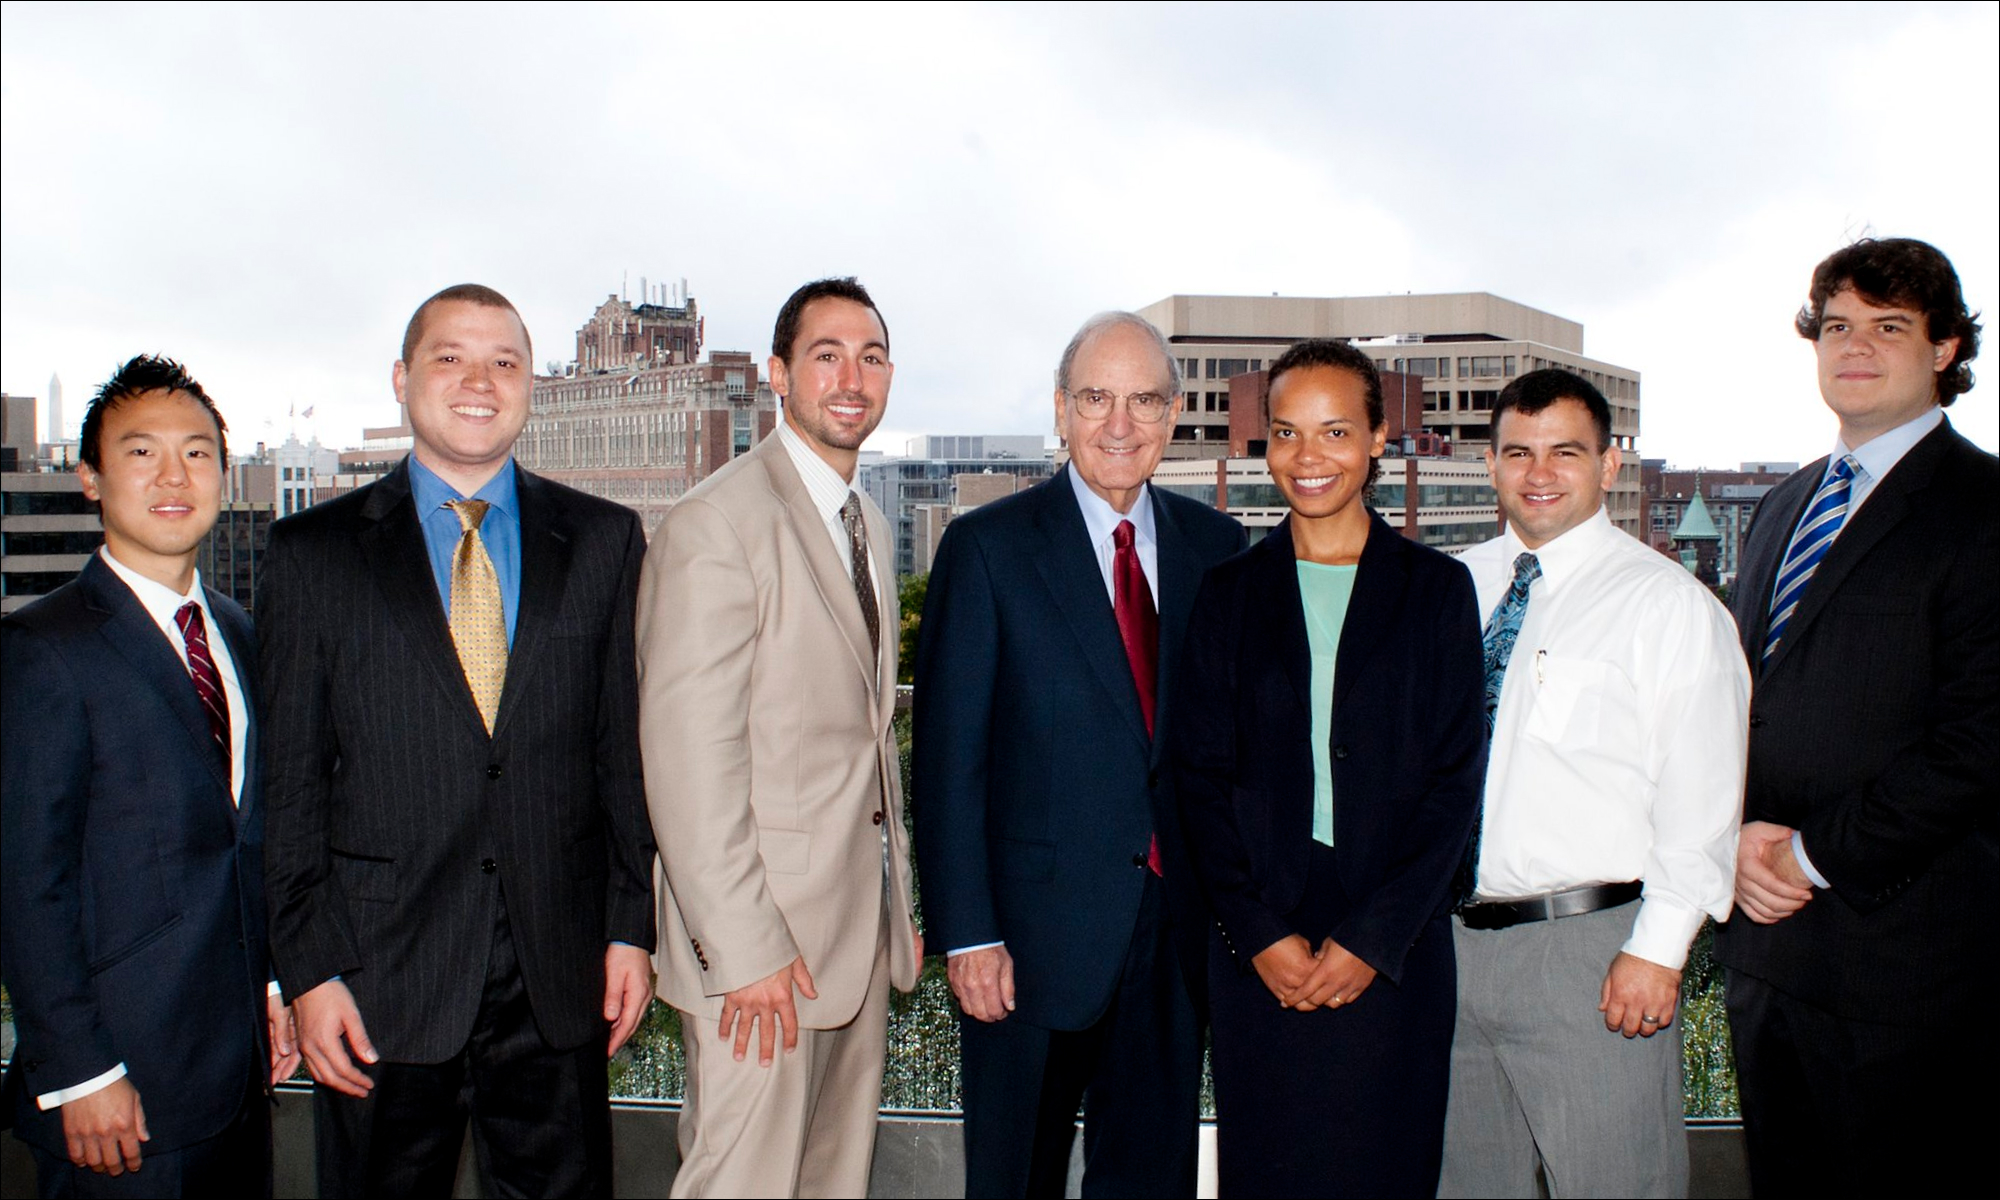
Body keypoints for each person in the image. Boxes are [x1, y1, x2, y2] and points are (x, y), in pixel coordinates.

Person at [259, 284, 658, 1198]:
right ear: (403, 380)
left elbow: (618, 754)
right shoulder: (312, 555)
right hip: (375, 984)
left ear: (531, 388)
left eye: (505, 363)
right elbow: (288, 788)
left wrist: (630, 930)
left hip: (558, 976)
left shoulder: (603, 541)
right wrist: (308, 970)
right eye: (451, 358)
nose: (480, 381)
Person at [913, 311, 1245, 1197]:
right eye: (1096, 398)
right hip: (1026, 950)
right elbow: (949, 762)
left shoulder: (1217, 549)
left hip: (1174, 944)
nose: (1119, 424)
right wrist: (969, 932)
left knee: (1151, 1179)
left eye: (1143, 401)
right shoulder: (988, 549)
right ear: (1061, 411)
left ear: (1174, 418)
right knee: (1016, 1177)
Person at [1172, 340, 1484, 1197]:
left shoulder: (1437, 590)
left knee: (1387, 1168)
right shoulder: (1228, 593)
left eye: (1335, 430)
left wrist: (1373, 938)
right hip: (1261, 942)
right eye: (1286, 432)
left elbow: (1455, 784)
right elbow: (1196, 775)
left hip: (1394, 944)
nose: (1308, 458)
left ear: (1379, 437)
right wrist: (1254, 932)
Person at [1717, 237, 1996, 1197]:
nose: (1855, 348)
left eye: (1889, 327)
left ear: (1947, 348)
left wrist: (1805, 857)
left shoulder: (1986, 508)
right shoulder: (1785, 503)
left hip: (1908, 968)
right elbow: (1743, 702)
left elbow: (1979, 746)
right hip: (1767, 953)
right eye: (1837, 326)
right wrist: (1740, 837)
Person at [639, 277, 922, 1198]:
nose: (852, 376)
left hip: (853, 936)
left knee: (829, 1185)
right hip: (762, 957)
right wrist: (745, 947)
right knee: (741, 1183)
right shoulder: (716, 524)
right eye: (826, 355)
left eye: (871, 356)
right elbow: (688, 760)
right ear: (777, 374)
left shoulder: (868, 524)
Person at [1439, 369, 1749, 1199]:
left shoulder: (1668, 606)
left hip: (1591, 956)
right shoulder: (1449, 589)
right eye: (1518, 453)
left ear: (1609, 466)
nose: (1539, 473)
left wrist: (1658, 949)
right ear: (1493, 467)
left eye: (1565, 452)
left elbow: (1704, 794)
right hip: (1445, 954)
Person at [2, 356, 298, 1198]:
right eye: (142, 453)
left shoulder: (239, 631)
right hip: (115, 1098)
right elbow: (27, 885)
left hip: (236, 1080)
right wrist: (80, 1071)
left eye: (198, 453)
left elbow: (246, 839)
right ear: (91, 478)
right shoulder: (45, 650)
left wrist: (271, 982)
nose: (175, 475)